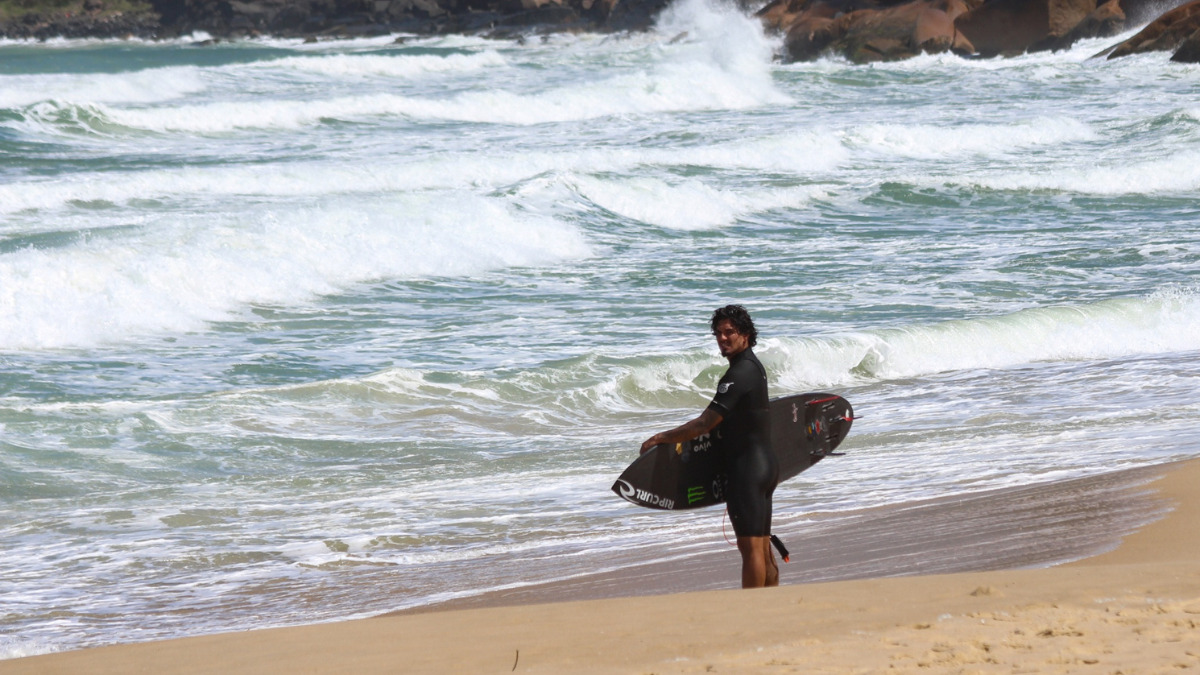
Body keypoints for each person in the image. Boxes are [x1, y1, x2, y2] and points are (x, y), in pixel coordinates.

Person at [640, 305, 780, 588]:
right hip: (766, 466)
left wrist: (661, 438)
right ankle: (772, 607)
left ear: (746, 335)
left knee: (750, 548)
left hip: (747, 472)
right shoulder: (755, 368)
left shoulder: (738, 374)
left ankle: (752, 611)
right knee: (763, 546)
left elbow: (705, 423)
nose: (723, 338)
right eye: (718, 333)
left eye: (730, 332)